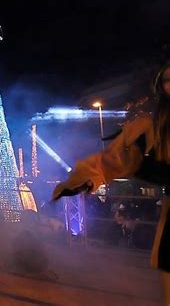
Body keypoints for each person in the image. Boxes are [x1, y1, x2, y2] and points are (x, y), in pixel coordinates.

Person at [53, 62, 170, 305]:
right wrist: (94, 172)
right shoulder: (158, 122)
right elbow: (125, 159)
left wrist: (139, 166)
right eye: (167, 80)